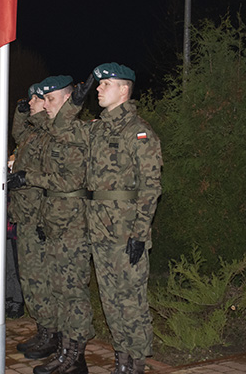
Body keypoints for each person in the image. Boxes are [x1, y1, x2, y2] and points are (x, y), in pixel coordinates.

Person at [8, 75, 94, 373]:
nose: (40, 104)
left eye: (47, 99)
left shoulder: (72, 132)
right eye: (39, 99)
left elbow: (70, 178)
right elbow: (23, 134)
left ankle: (73, 354)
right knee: (54, 287)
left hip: (70, 224)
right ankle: (61, 346)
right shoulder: (48, 132)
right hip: (51, 220)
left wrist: (28, 179)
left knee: (71, 292)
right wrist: (22, 111)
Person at [86, 63, 162, 374]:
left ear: (124, 91)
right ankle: (122, 358)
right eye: (99, 85)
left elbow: (151, 187)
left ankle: (137, 362)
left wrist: (140, 233)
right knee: (110, 299)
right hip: (99, 230)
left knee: (131, 301)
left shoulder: (139, 132)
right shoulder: (97, 129)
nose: (99, 89)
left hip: (126, 231)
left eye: (106, 84)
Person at [9, 84, 51, 346]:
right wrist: (19, 111)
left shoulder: (49, 134)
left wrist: (43, 219)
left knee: (40, 278)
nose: (31, 101)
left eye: (36, 99)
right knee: (28, 277)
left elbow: (53, 179)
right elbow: (17, 132)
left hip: (37, 215)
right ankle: (42, 328)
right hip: (24, 215)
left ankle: (50, 331)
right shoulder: (31, 134)